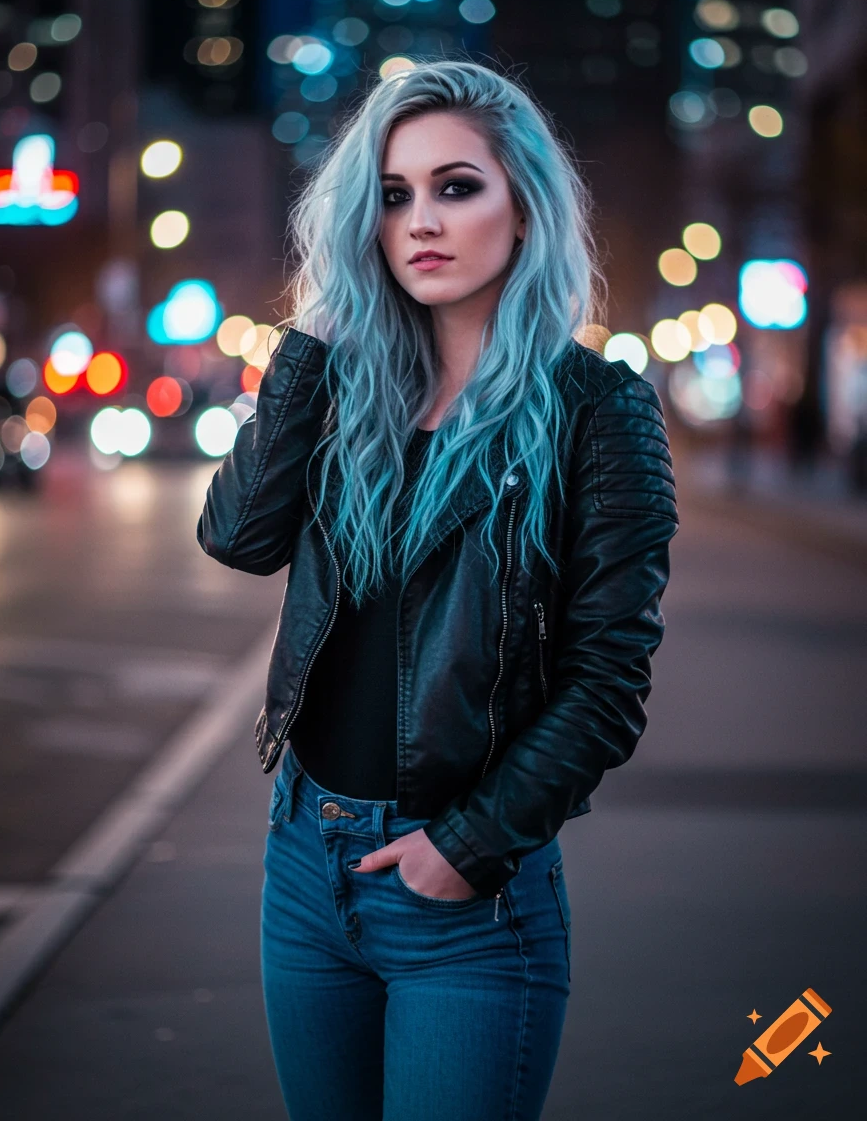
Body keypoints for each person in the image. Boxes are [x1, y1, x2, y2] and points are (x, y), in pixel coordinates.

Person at [197, 58, 679, 1121]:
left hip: (467, 891)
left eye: (456, 186)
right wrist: (311, 339)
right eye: (392, 192)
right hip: (303, 865)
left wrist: (467, 846)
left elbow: (608, 676)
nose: (419, 218)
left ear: (524, 209)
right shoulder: (342, 389)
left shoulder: (597, 410)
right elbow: (236, 536)